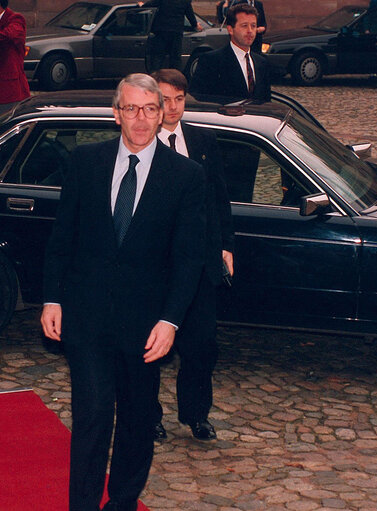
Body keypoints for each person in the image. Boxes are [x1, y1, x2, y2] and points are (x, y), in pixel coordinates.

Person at [41, 73, 205, 511]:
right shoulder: (85, 162)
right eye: (131, 109)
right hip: (87, 317)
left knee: (136, 420)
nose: (141, 119)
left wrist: (171, 321)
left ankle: (123, 502)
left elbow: (189, 260)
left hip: (145, 325)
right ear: (116, 114)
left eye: (150, 109)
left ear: (162, 113)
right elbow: (63, 238)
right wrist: (52, 298)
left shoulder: (185, 176)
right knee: (92, 417)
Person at [150, 69, 233, 442]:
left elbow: (219, 199)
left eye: (179, 100)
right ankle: (148, 415)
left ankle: (196, 415)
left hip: (198, 263)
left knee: (201, 346)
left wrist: (224, 246)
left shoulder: (201, 139)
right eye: (165, 100)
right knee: (147, 348)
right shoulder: (139, 142)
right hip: (153, 268)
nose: (172, 108)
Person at [188, 3, 270, 102]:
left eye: (253, 26)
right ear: (230, 29)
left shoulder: (261, 62)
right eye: (244, 26)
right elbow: (199, 99)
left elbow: (266, 101)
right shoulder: (211, 61)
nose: (250, 31)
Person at [138, 0, 202, 72]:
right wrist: (195, 25)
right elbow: (190, 14)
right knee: (175, 57)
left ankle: (156, 76)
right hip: (176, 32)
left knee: (158, 57)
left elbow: (152, 3)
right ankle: (174, 77)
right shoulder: (185, 1)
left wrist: (143, 5)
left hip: (162, 31)